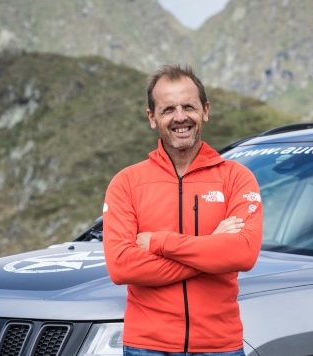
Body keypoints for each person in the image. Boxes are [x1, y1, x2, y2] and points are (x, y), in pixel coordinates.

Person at [102, 64, 263, 355]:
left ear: (205, 111)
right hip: (146, 346)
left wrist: (159, 242)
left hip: (220, 345)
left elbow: (243, 253)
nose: (180, 117)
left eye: (188, 106)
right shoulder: (126, 183)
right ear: (152, 118)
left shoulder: (236, 178)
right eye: (168, 109)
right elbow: (122, 265)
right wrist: (212, 248)